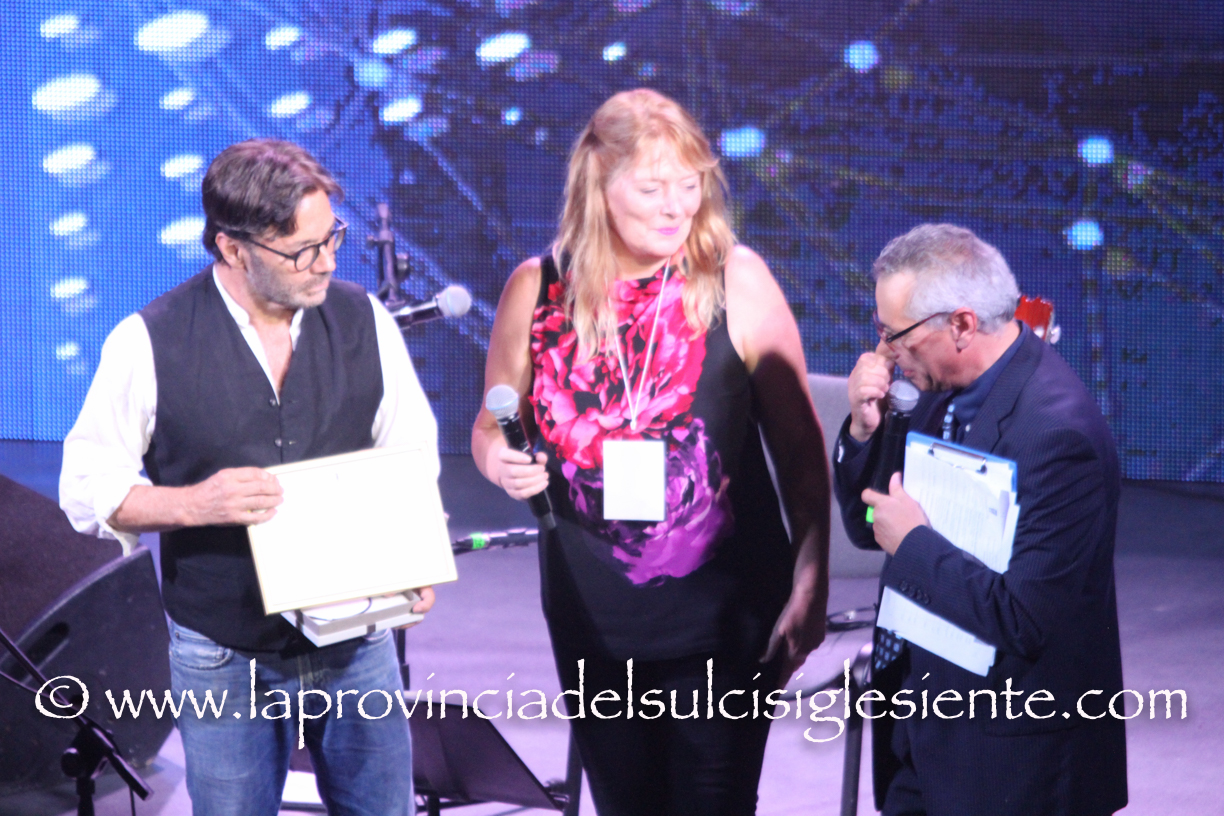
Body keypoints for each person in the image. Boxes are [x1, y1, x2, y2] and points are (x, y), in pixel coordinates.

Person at [471, 88, 831, 814]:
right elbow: (490, 421)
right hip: (592, 613)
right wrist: (496, 461)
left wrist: (812, 579)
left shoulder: (735, 279)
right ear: (599, 185)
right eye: (652, 188)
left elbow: (799, 449)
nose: (676, 208)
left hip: (724, 615)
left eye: (690, 185)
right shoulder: (537, 289)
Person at [60, 139, 437, 816]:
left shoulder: (366, 321)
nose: (327, 262)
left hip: (357, 641)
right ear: (233, 249)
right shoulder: (147, 341)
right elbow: (86, 487)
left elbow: (410, 452)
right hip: (225, 654)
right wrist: (192, 504)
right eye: (301, 251)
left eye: (332, 238)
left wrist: (412, 556)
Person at [833, 223, 1127, 815]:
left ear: (963, 325)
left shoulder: (1057, 436)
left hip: (1011, 763)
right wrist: (865, 432)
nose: (885, 352)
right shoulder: (940, 388)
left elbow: (1024, 618)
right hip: (921, 728)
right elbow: (871, 527)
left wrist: (913, 543)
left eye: (896, 335)